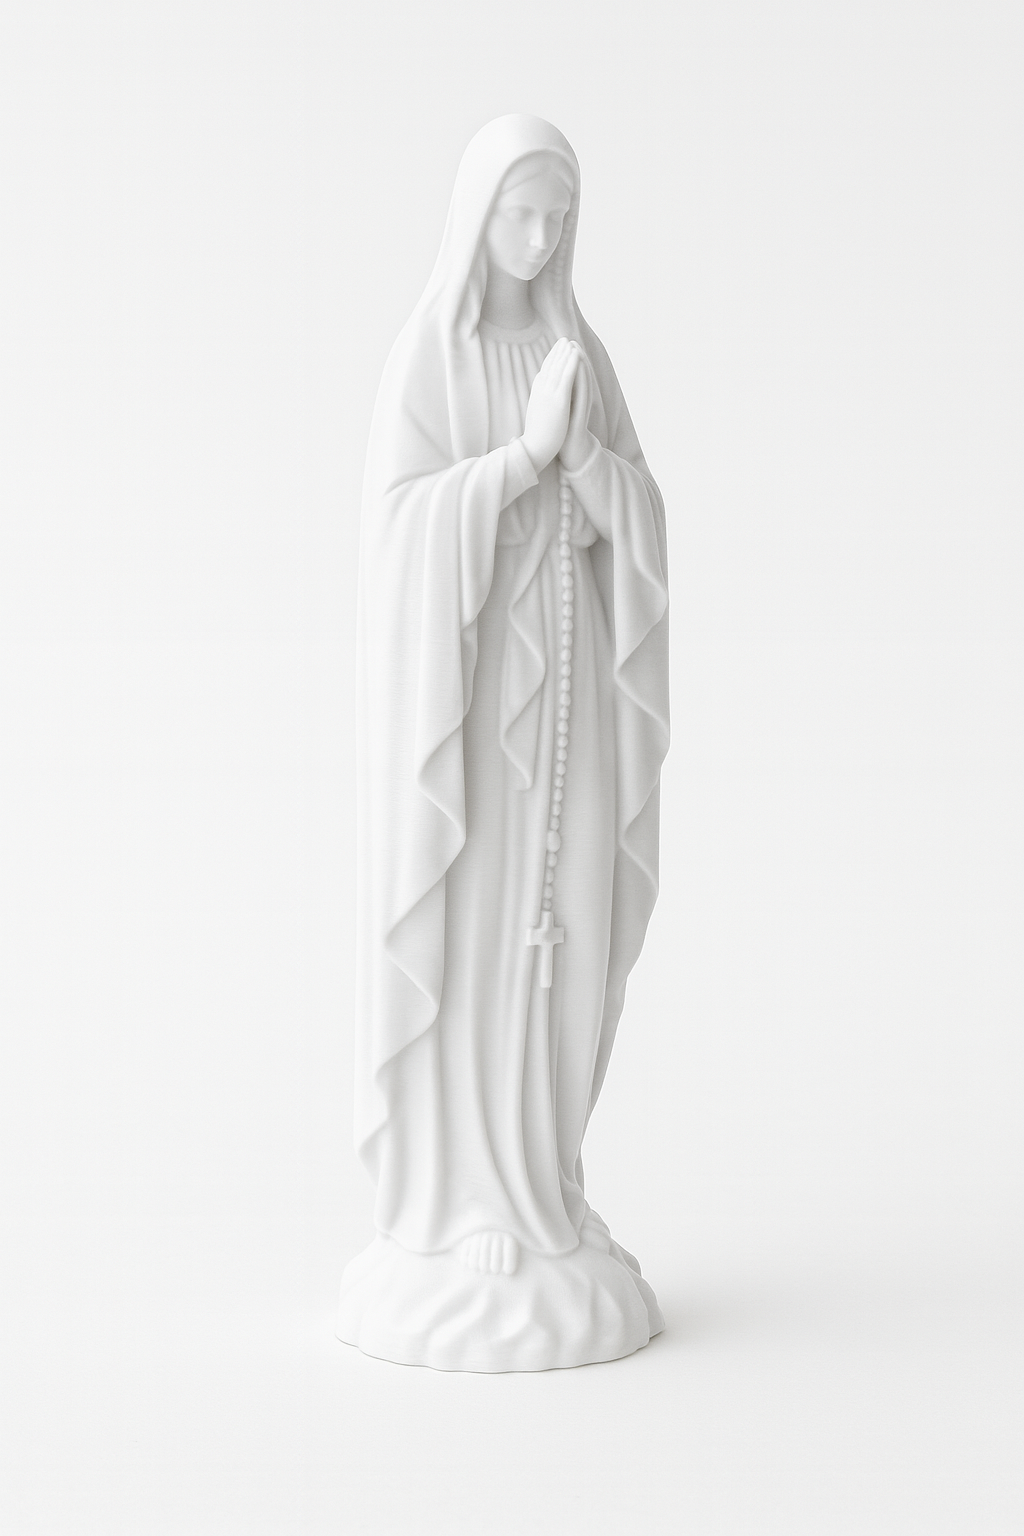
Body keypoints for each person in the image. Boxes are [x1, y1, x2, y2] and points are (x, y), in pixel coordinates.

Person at [338, 115, 670, 1371]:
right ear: (477, 217)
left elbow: (639, 510)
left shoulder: (580, 353)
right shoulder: (430, 356)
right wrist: (518, 463)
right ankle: (466, 1197)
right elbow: (396, 534)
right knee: (482, 937)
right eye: (520, 215)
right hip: (472, 709)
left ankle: (545, 1181)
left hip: (574, 703)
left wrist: (582, 460)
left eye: (557, 219)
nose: (539, 240)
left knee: (568, 929)